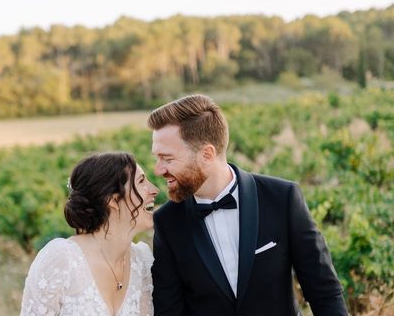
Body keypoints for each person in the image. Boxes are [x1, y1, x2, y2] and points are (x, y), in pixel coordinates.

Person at [149, 94, 348, 316]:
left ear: (206, 154)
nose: (158, 169)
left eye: (167, 158)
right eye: (157, 158)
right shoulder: (167, 222)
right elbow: (170, 311)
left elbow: (324, 291)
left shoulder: (283, 199)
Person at [20, 151, 159, 316]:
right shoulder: (61, 259)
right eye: (141, 181)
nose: (154, 190)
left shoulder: (142, 261)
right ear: (113, 200)